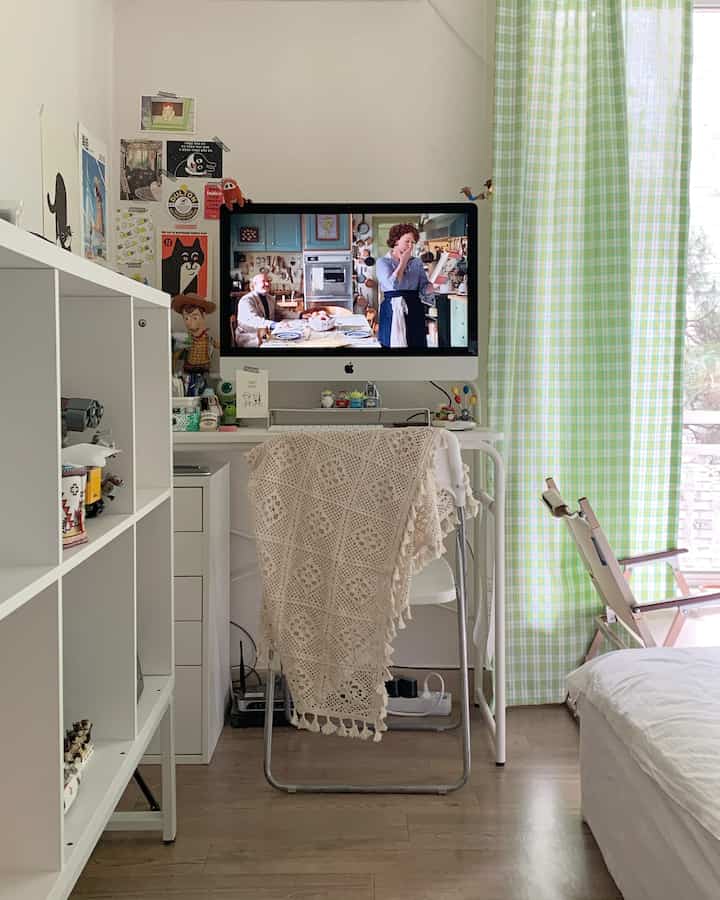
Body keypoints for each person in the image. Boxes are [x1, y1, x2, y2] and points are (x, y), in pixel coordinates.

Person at [375, 223, 435, 348]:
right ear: (396, 240)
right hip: (392, 310)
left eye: (413, 242)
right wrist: (403, 262)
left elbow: (423, 288)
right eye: (407, 241)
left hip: (414, 309)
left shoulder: (416, 262)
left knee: (416, 345)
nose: (411, 245)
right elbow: (393, 285)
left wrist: (433, 286)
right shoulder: (383, 262)